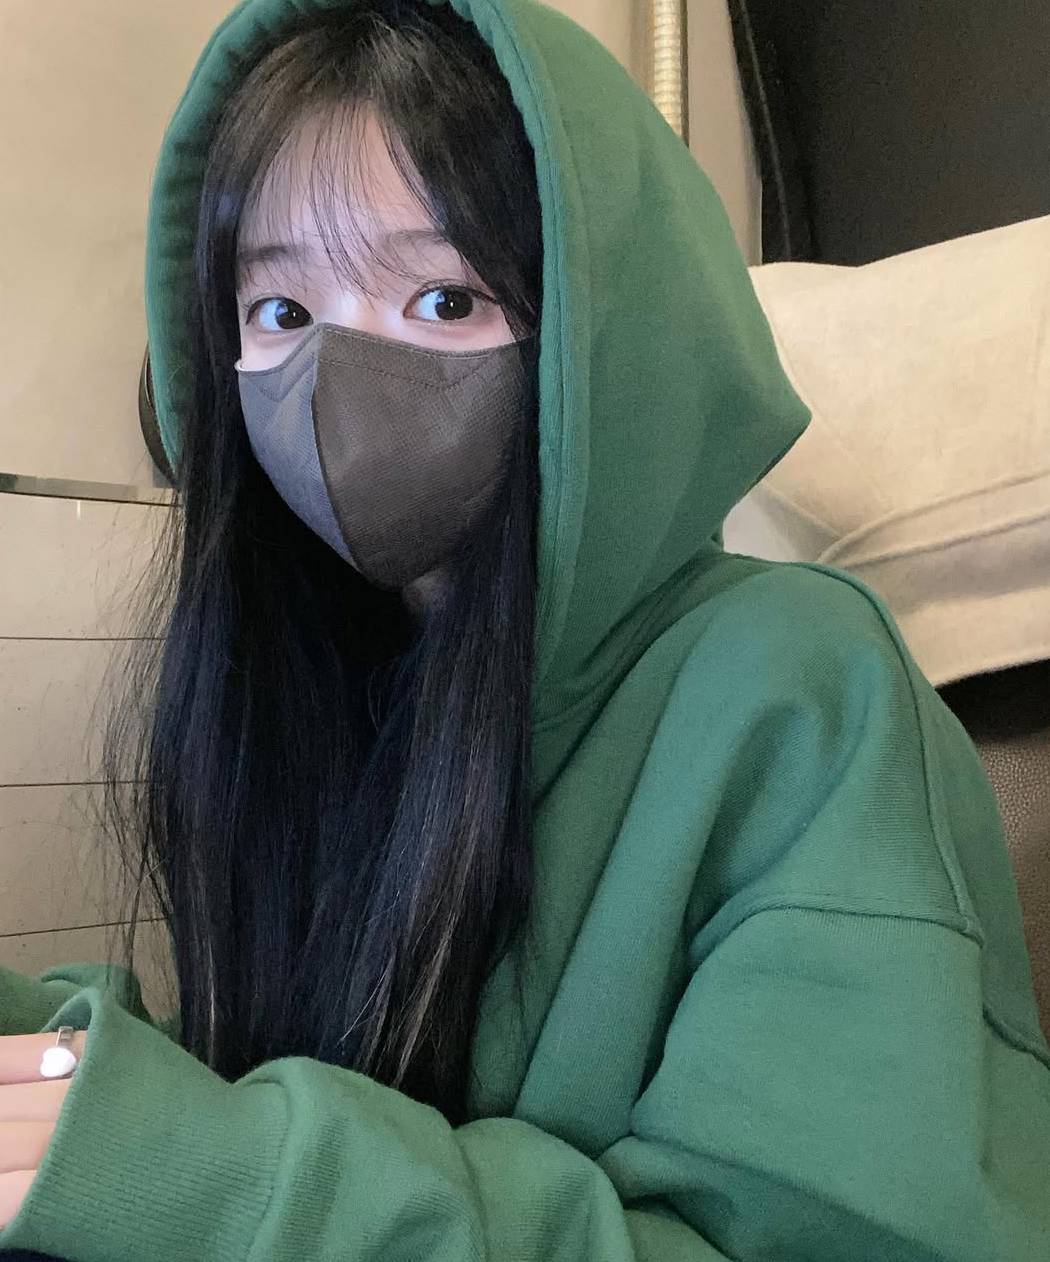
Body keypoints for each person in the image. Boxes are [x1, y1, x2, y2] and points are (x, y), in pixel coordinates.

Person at [1, 0, 1048, 1258]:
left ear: (604, 330)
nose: (338, 380)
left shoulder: (803, 691)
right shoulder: (321, 690)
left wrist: (229, 1181)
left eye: (445, 297)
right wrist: (72, 1073)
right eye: (279, 311)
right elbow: (284, 1102)